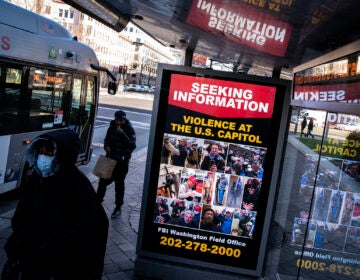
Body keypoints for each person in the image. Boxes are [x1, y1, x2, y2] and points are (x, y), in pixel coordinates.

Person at [4, 129, 109, 280]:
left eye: (48, 153)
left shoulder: (77, 185)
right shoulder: (37, 178)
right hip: (31, 261)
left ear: (62, 155)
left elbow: (92, 229)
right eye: (40, 152)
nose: (42, 157)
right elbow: (22, 214)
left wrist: (50, 247)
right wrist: (19, 241)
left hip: (57, 266)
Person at [96, 110, 136, 218]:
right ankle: (97, 201)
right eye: (117, 120)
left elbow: (131, 145)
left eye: (120, 120)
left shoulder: (129, 129)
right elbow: (106, 140)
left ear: (124, 119)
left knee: (119, 184)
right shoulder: (111, 127)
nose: (118, 122)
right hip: (109, 159)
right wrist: (106, 146)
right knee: (102, 181)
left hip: (121, 163)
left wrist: (122, 133)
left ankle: (118, 206)